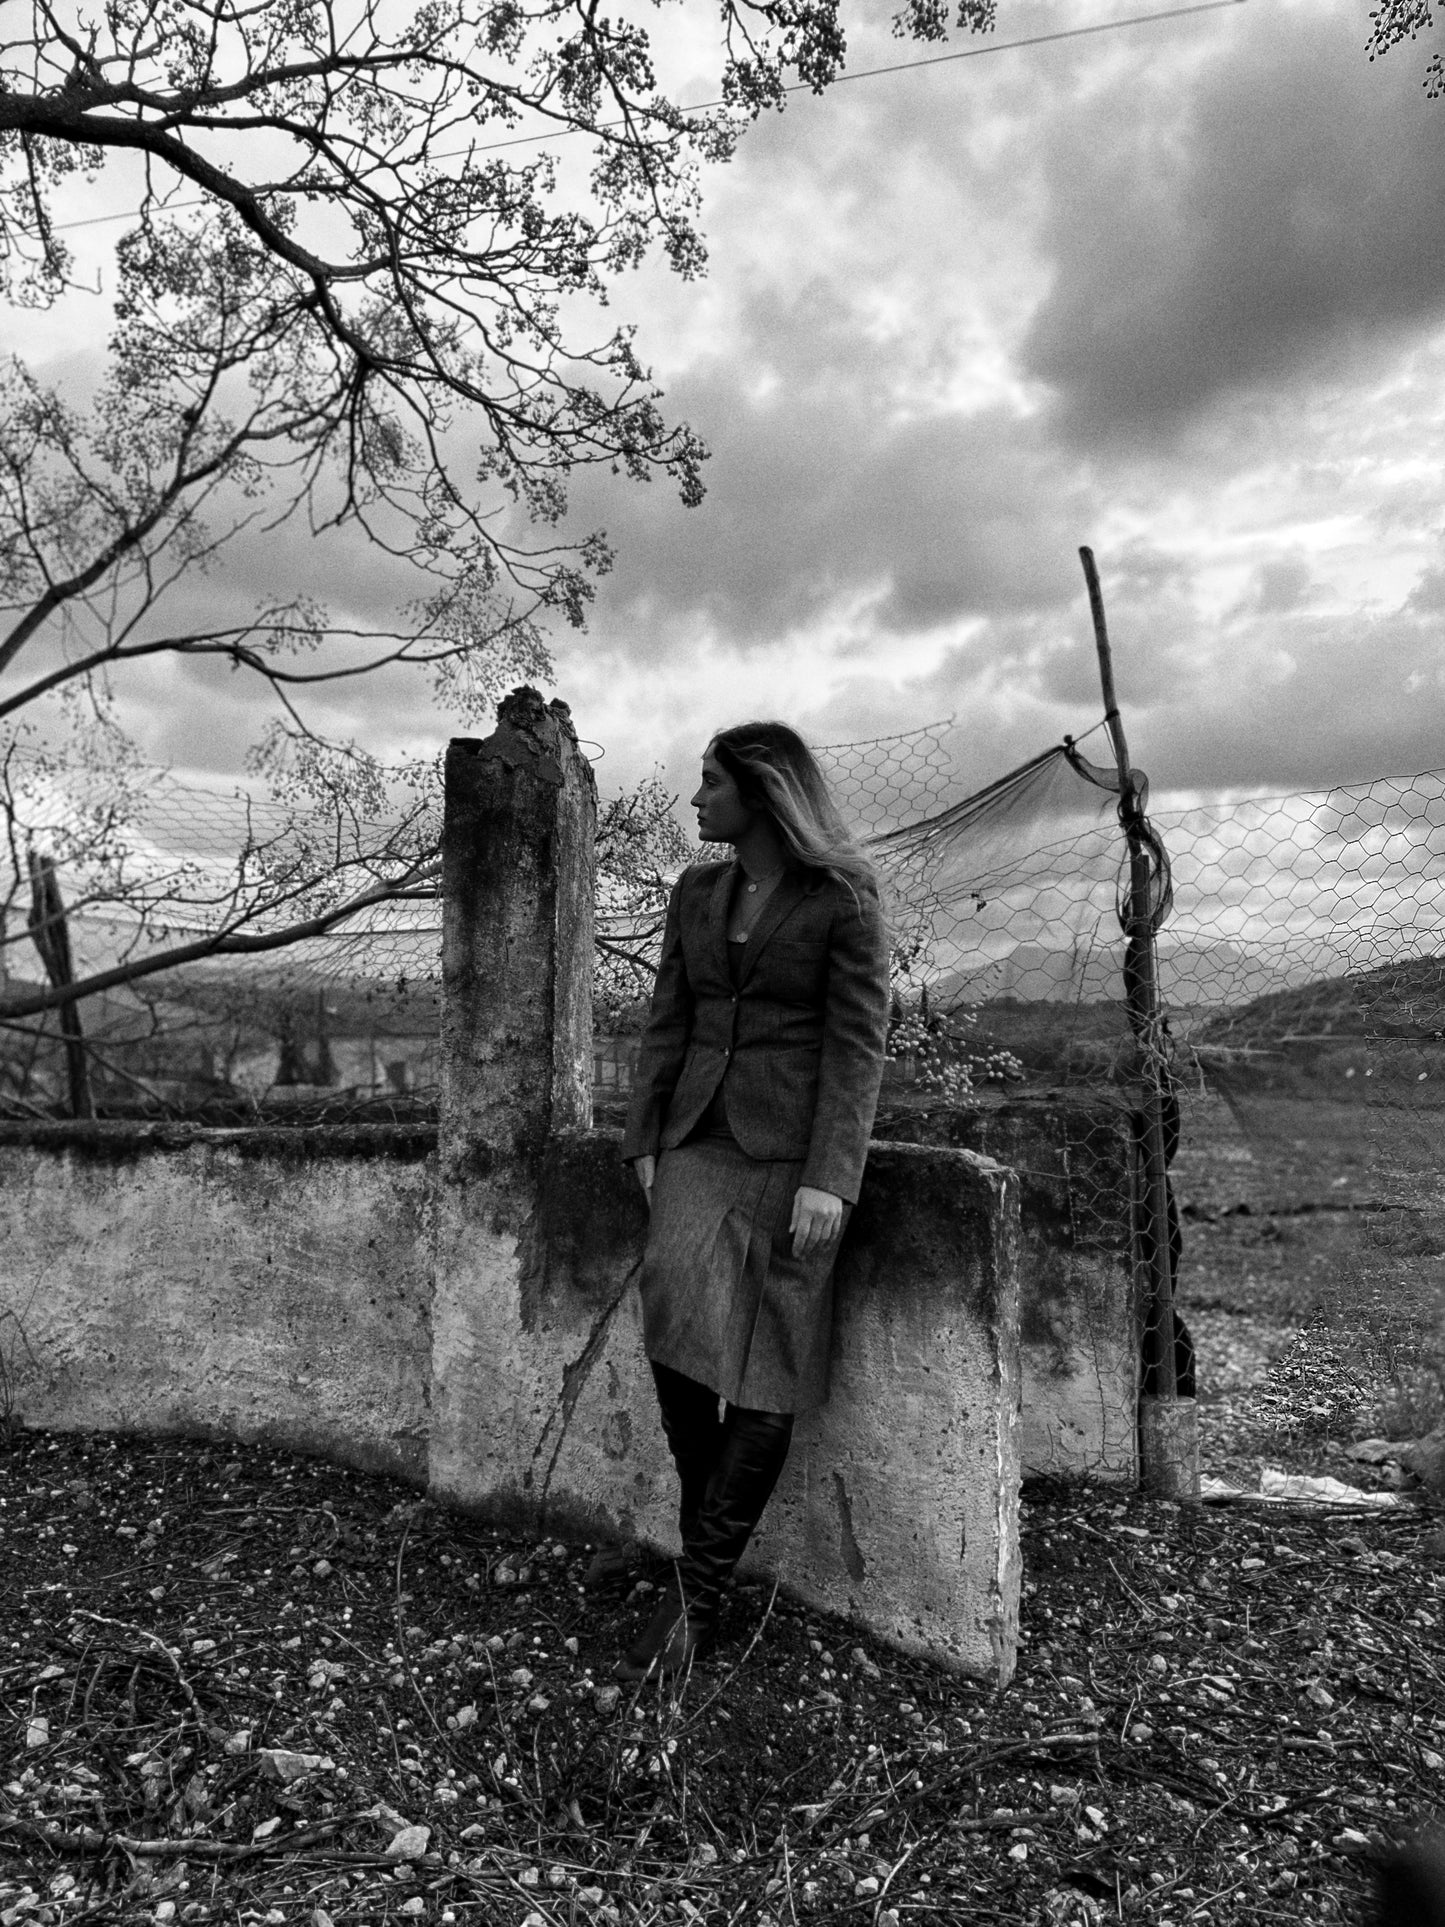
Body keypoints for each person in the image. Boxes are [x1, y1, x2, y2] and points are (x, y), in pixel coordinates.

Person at [616, 721, 891, 1681]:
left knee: (769, 1364)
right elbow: (669, 1020)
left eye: (707, 786)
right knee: (673, 1326)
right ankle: (707, 1557)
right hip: (698, 1137)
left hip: (792, 1156)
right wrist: (644, 1137)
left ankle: (699, 1595)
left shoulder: (844, 897)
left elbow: (858, 1045)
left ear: (760, 794)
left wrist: (832, 1174)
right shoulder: (696, 892)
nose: (694, 801)